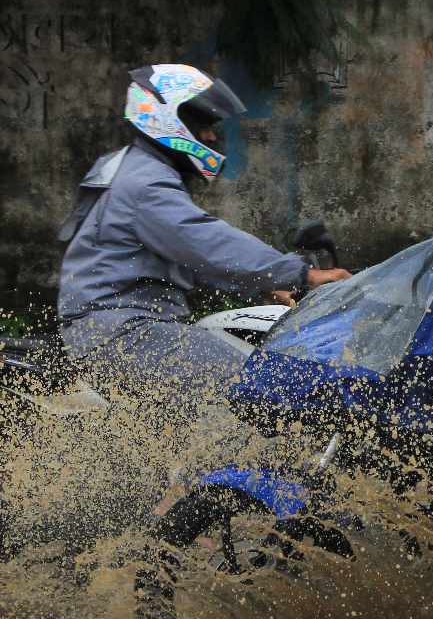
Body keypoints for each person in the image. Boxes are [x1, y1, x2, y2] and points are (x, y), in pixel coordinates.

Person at [57, 63, 351, 403]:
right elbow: (207, 243)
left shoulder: (135, 169)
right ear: (166, 117)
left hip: (120, 328)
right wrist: (304, 273)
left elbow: (188, 255)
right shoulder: (146, 184)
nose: (210, 136)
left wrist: (266, 285)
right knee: (263, 386)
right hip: (125, 333)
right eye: (202, 124)